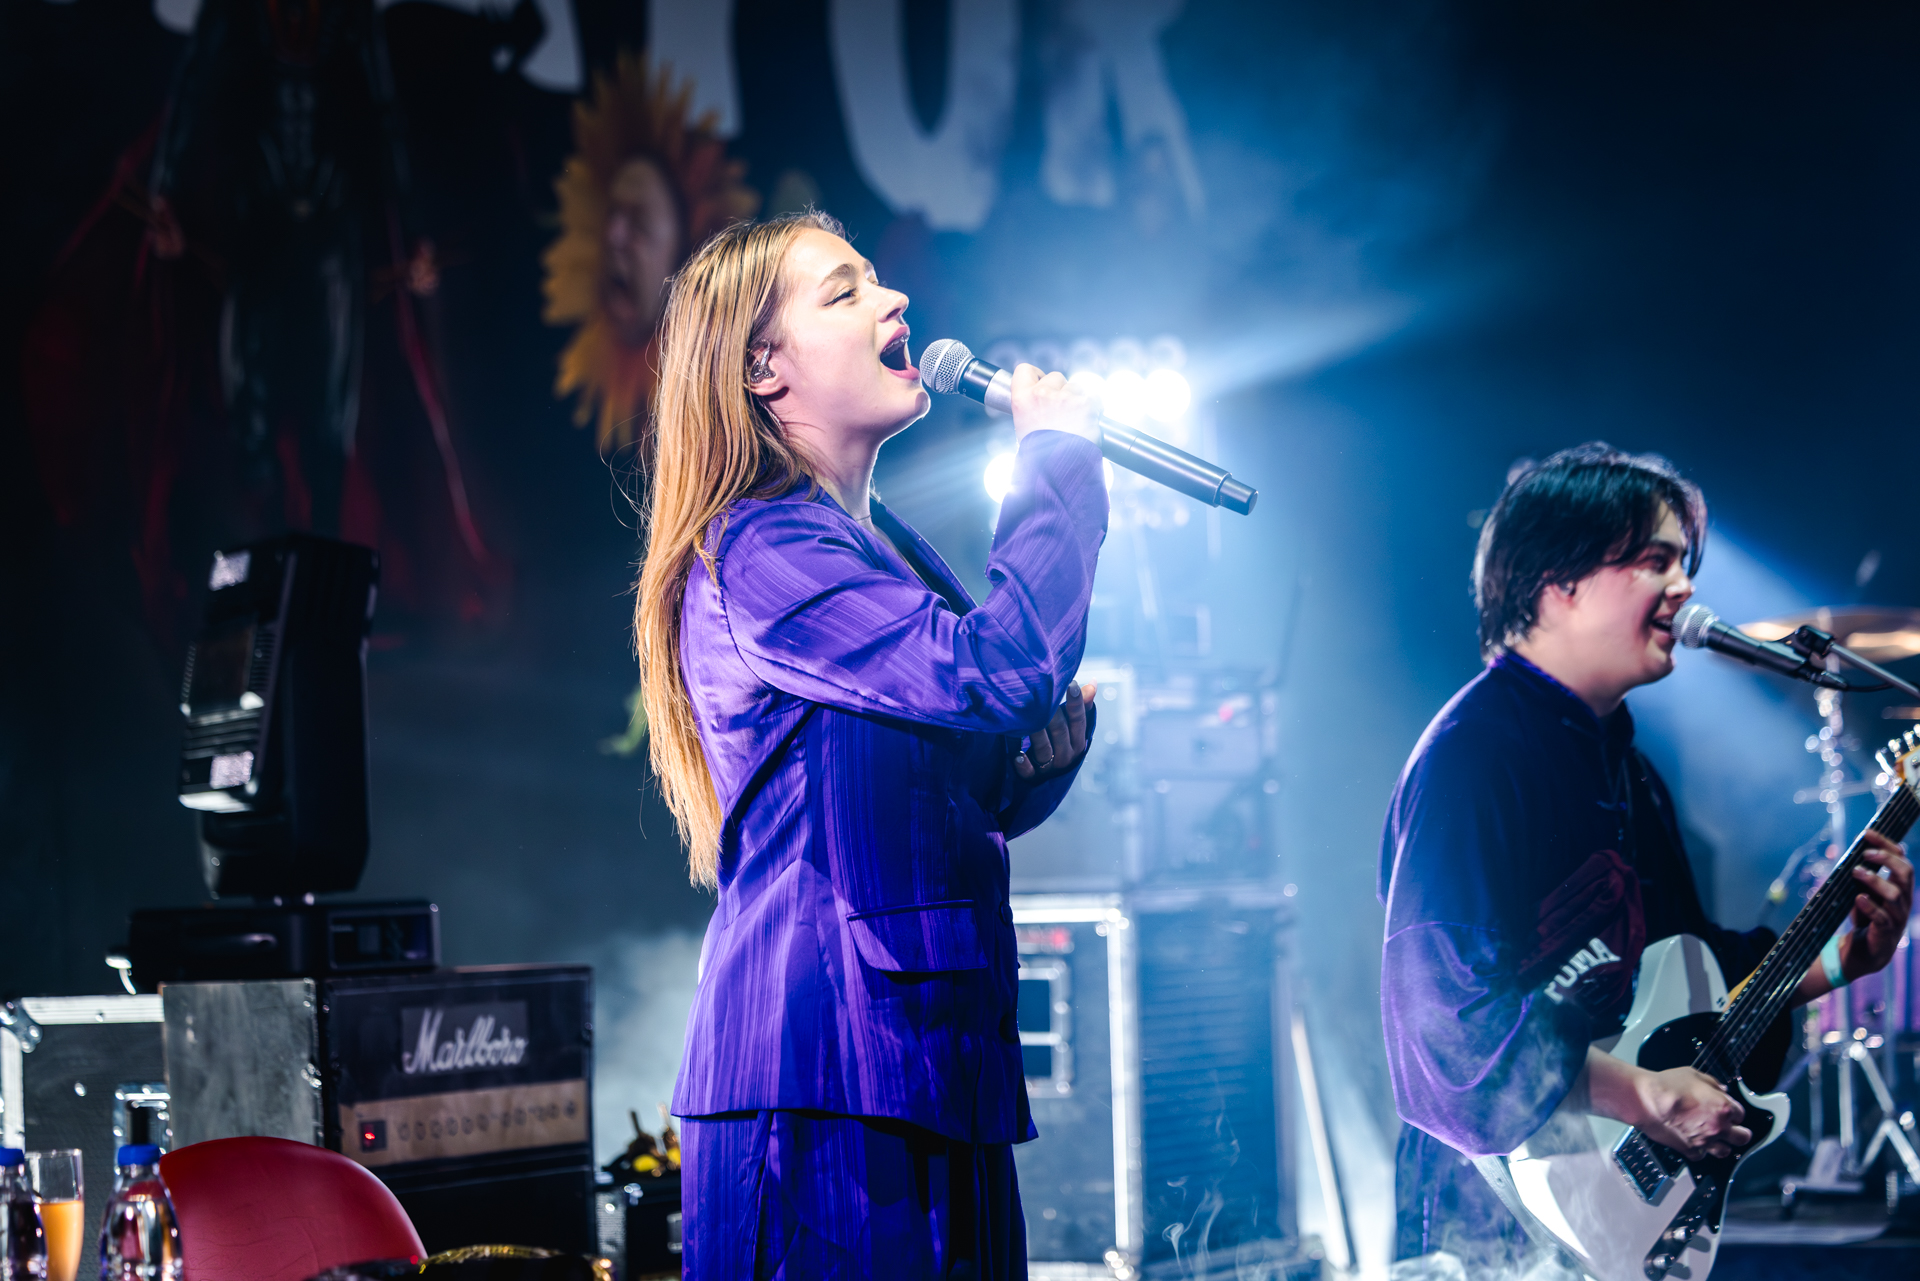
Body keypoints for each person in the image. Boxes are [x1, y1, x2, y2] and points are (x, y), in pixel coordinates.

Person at [634, 211, 1108, 1279]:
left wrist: (1021, 774)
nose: (893, 301)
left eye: (879, 280)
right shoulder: (763, 545)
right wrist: (1056, 461)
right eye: (844, 292)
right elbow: (999, 667)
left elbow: (920, 781)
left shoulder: (877, 546)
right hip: (820, 1079)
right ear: (762, 367)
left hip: (931, 1063)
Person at [1378, 443, 1913, 1273]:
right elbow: (1446, 1030)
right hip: (1488, 1221)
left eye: (1683, 564)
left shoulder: (1629, 769)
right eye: (1654, 561)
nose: (1684, 587)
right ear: (1558, 580)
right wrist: (1645, 1094)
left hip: (1606, 1211)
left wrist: (1840, 963)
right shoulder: (1471, 756)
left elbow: (1690, 974)